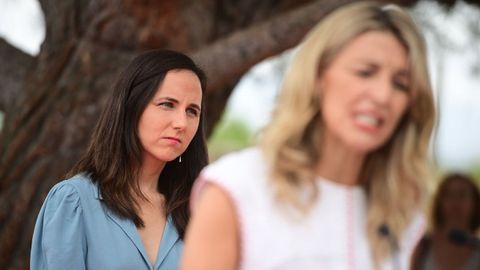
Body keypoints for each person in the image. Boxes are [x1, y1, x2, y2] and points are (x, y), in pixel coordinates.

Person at [181, 2, 436, 270]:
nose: (383, 95)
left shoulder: (402, 216)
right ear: (317, 76)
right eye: (365, 72)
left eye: (401, 83)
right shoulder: (239, 188)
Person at [30, 49, 209, 270]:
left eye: (192, 111)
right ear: (131, 107)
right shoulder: (74, 201)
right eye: (167, 104)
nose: (181, 122)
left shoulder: (198, 210)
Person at [411, 173, 480, 270]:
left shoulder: (477, 249)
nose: (455, 201)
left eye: (462, 194)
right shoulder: (424, 247)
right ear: (439, 201)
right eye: (449, 195)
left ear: (475, 203)